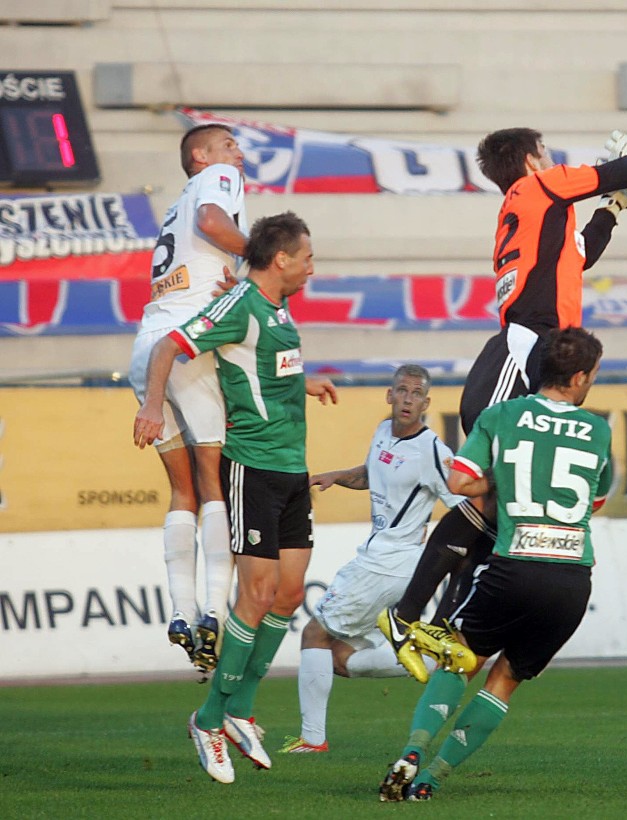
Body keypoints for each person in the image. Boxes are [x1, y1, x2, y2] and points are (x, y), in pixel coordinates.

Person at [379, 126, 627, 669]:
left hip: (540, 351)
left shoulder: (541, 214)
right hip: (521, 348)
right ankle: (408, 613)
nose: (552, 160)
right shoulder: (538, 190)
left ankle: (439, 625)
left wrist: (617, 206)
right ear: (532, 161)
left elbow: (584, 252)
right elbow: (624, 168)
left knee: (506, 502)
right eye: (547, 154)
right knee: (485, 490)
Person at [133, 212, 337, 785]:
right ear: (281, 261)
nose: (312, 266)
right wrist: (152, 406)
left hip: (294, 469)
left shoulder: (275, 308)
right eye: (308, 257)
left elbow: (265, 367)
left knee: (289, 594)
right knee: (256, 595)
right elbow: (168, 348)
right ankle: (209, 719)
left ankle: (242, 708)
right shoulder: (241, 303)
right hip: (254, 469)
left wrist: (306, 380)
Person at [379, 326, 612, 802]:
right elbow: (597, 499)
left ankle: (413, 752)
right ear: (581, 377)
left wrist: (502, 478)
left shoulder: (501, 415)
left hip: (514, 567)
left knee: (459, 658)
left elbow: (460, 484)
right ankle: (431, 781)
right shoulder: (598, 430)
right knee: (505, 680)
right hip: (571, 578)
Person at [278, 364, 467, 754]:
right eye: (402, 391)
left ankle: (313, 739)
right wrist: (334, 476)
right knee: (337, 657)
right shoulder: (383, 432)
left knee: (314, 634)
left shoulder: (433, 451)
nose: (408, 399)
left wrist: (455, 556)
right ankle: (422, 658)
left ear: (426, 403)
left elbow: (462, 505)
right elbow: (370, 474)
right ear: (390, 395)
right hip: (382, 560)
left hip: (386, 565)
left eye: (416, 394)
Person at [128, 123, 248, 672]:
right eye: (227, 145)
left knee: (181, 491)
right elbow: (214, 223)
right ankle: (214, 617)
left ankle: (180, 610)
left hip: (146, 340)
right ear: (200, 157)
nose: (237, 155)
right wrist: (262, 255)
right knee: (212, 480)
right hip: (187, 341)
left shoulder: (176, 205)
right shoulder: (215, 181)